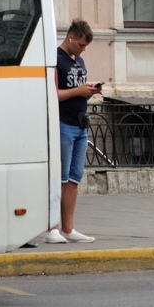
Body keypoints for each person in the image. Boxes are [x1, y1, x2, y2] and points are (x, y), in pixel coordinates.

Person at [44, 19, 101, 245]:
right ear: (70, 37)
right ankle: (53, 227)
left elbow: (75, 90)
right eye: (81, 44)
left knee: (74, 179)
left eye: (85, 46)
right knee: (60, 177)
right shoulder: (55, 59)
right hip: (63, 123)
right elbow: (53, 94)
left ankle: (68, 228)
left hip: (79, 125)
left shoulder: (80, 61)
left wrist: (87, 91)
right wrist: (78, 90)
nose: (83, 49)